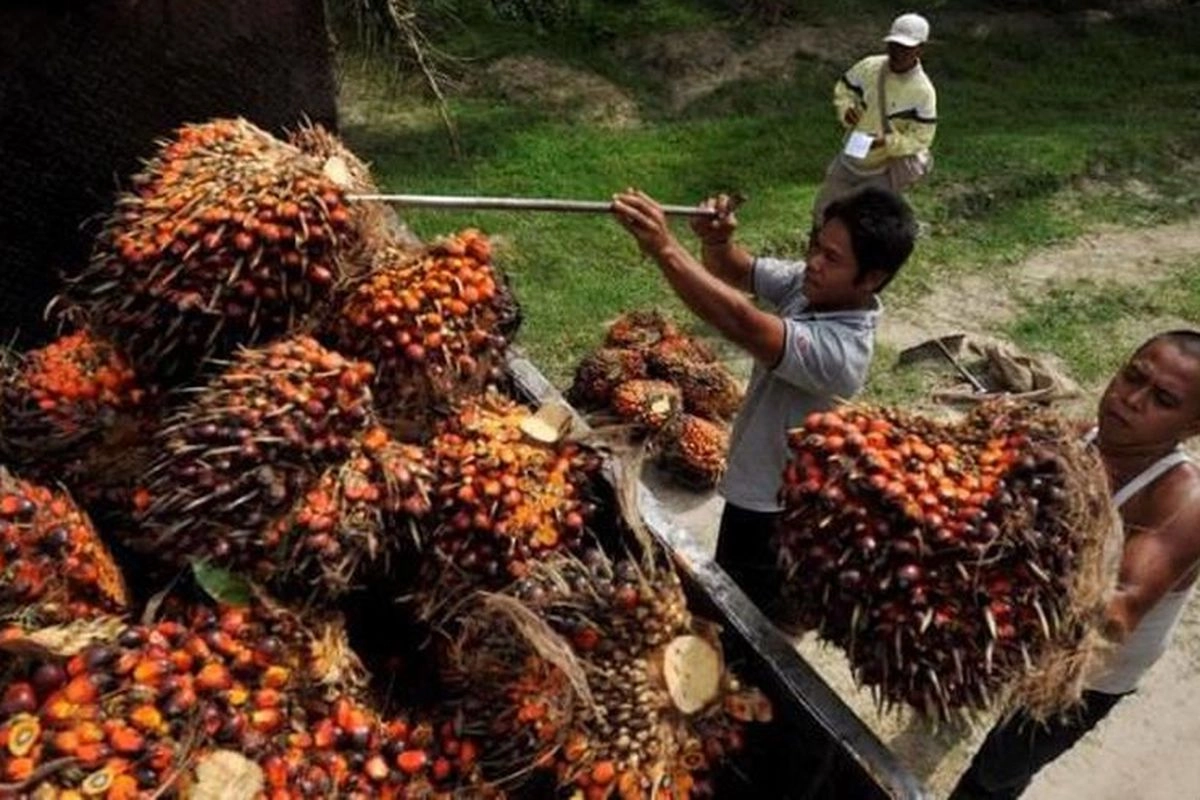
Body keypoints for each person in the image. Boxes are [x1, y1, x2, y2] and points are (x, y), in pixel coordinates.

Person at [611, 187, 917, 612]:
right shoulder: (814, 287)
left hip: (774, 510)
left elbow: (742, 322)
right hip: (755, 485)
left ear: (871, 278)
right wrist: (717, 241)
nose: (813, 261)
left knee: (741, 617)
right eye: (816, 246)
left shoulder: (842, 351)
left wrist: (664, 246)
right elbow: (736, 269)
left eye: (831, 258)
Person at [950, 329, 1200, 799]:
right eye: (1133, 377)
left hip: (1091, 672)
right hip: (1035, 625)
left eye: (1163, 399)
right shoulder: (1080, 439)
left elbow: (1116, 614)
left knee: (995, 773)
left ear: (1193, 425)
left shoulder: (1183, 501)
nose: (1131, 400)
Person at [811, 12, 938, 226]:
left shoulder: (923, 92)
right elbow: (844, 89)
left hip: (882, 170)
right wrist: (846, 110)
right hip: (850, 157)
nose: (898, 52)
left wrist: (886, 143)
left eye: (906, 48)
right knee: (823, 215)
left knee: (864, 225)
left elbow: (921, 138)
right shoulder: (870, 66)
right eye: (894, 45)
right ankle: (815, 254)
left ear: (920, 49)